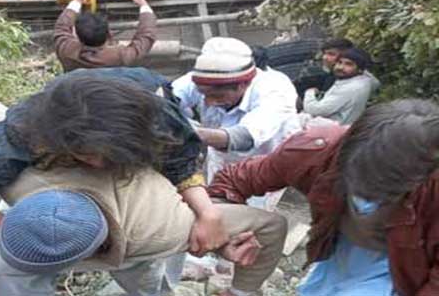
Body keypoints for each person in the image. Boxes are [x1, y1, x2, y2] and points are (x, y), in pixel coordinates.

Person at [0, 72, 288, 296]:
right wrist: (24, 230)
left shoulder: (159, 120)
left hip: (143, 225)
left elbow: (182, 158)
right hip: (37, 208)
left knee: (148, 280)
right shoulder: (16, 136)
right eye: (90, 156)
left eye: (110, 157)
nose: (100, 166)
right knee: (5, 266)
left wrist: (208, 216)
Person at [208, 99, 439, 295]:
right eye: (360, 180)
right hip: (338, 253)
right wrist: (227, 235)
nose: (366, 194)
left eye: (382, 190)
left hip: (406, 264)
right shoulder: (315, 151)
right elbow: (233, 181)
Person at [172, 37, 299, 210]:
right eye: (203, 95)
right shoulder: (202, 80)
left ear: (243, 84)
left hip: (264, 170)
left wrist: (183, 129)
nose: (208, 102)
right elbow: (167, 99)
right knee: (218, 213)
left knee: (252, 222)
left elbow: (243, 138)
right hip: (221, 164)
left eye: (218, 97)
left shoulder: (275, 91)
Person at [53, 0, 156, 72]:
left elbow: (61, 26)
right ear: (109, 35)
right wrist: (143, 4)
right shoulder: (121, 56)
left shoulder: (66, 50)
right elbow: (146, 36)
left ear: (76, 34)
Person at [303, 47, 380, 125]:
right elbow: (375, 82)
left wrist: (309, 92)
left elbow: (315, 110)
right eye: (340, 62)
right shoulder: (366, 80)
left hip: (332, 132)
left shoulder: (349, 88)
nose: (340, 67)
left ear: (360, 69)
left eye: (348, 64)